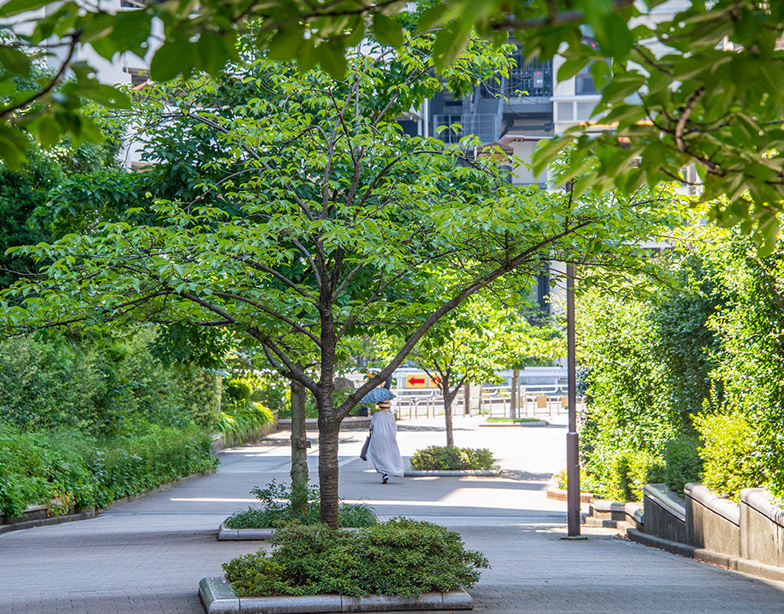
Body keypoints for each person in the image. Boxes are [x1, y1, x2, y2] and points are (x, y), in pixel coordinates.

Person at [365, 399, 404, 484]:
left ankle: (383, 472)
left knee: (378, 454)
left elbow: (371, 426)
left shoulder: (376, 415)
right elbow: (394, 427)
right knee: (389, 453)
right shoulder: (391, 415)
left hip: (378, 437)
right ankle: (392, 469)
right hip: (389, 437)